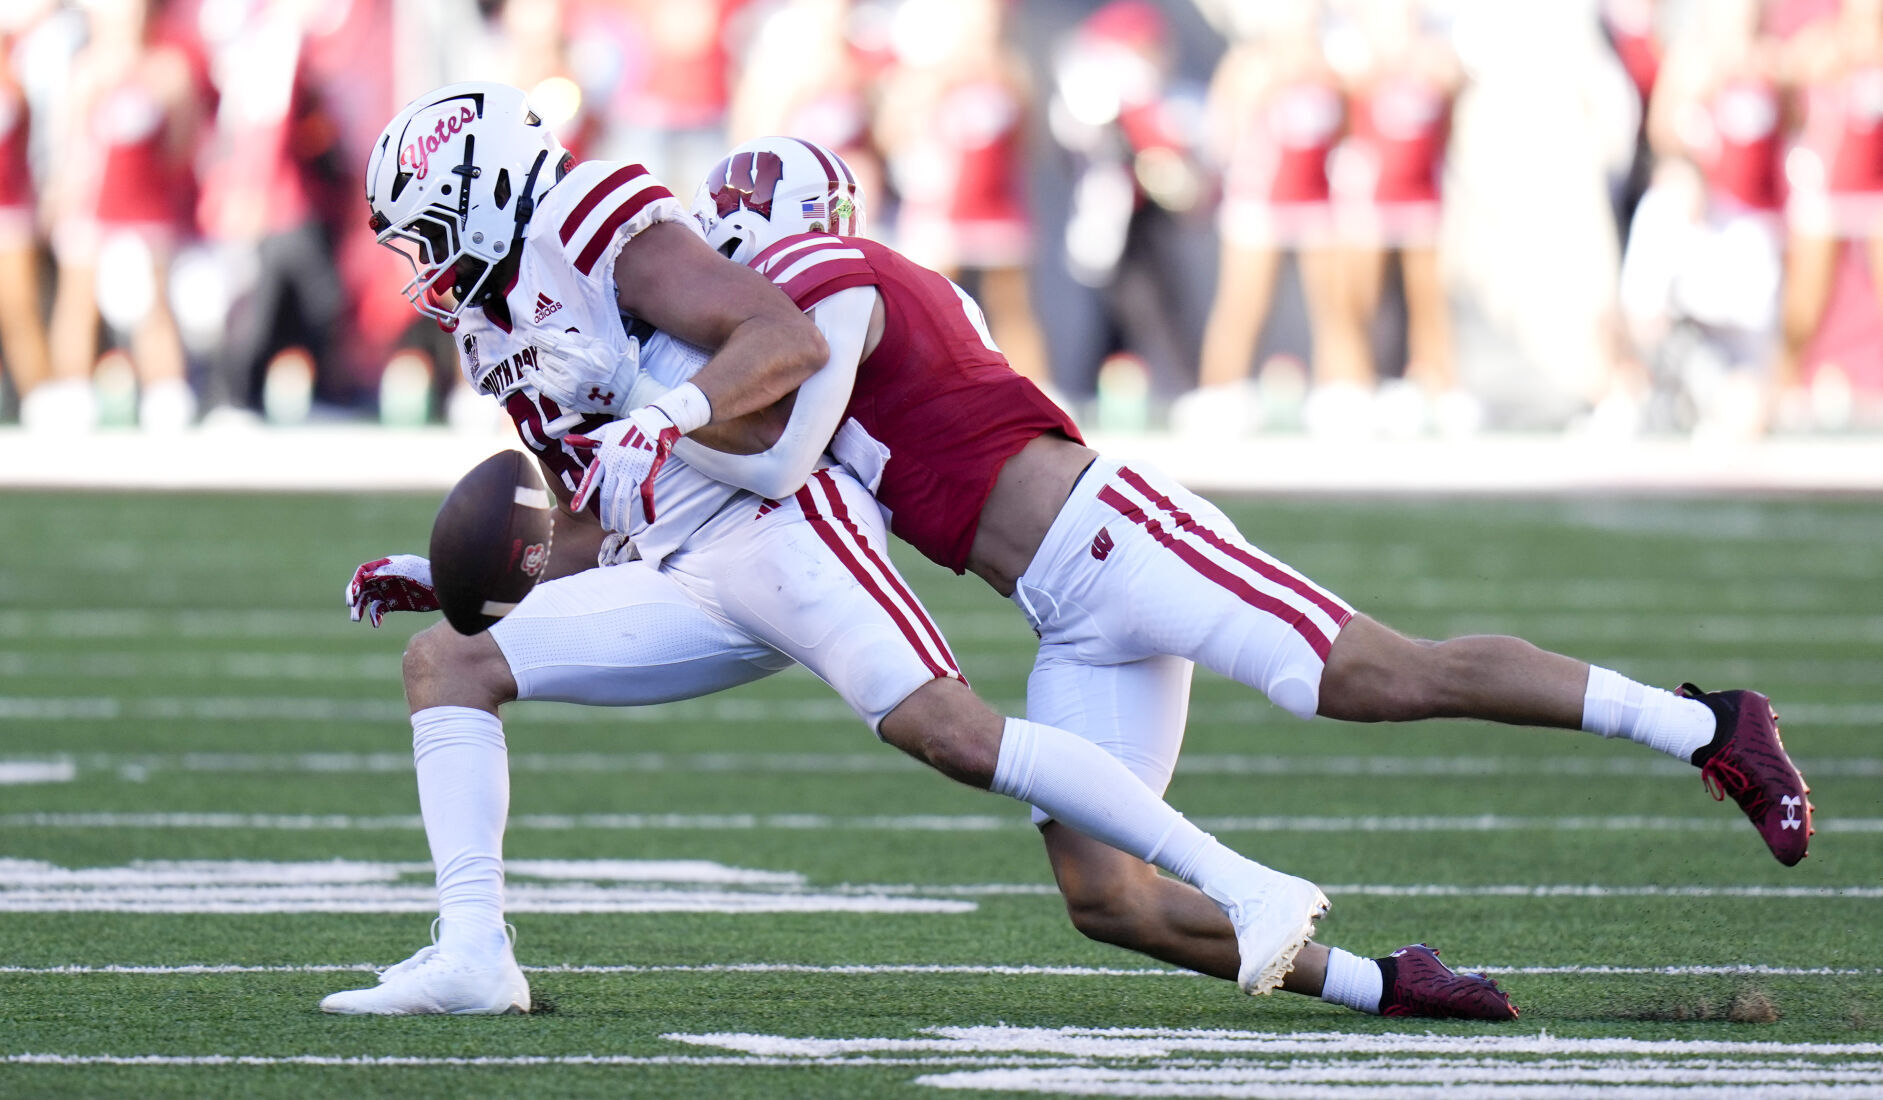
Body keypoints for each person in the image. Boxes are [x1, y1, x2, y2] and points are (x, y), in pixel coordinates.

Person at [574, 134, 1814, 1016]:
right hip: (1060, 606)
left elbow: (786, 456)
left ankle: (1704, 723)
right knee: (1106, 896)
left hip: (1117, 536)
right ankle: (1387, 982)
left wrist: (655, 424)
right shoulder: (821, 304)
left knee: (1374, 676)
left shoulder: (831, 282)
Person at [323, 82, 1362, 1017]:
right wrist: (456, 576)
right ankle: (473, 953)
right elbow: (593, 517)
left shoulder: (588, 220)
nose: (425, 263)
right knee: (448, 662)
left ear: (486, 188)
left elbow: (784, 339)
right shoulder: (488, 327)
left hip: (782, 524)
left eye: (431, 231)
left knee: (950, 735)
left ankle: (1244, 884)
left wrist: (665, 411)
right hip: (677, 568)